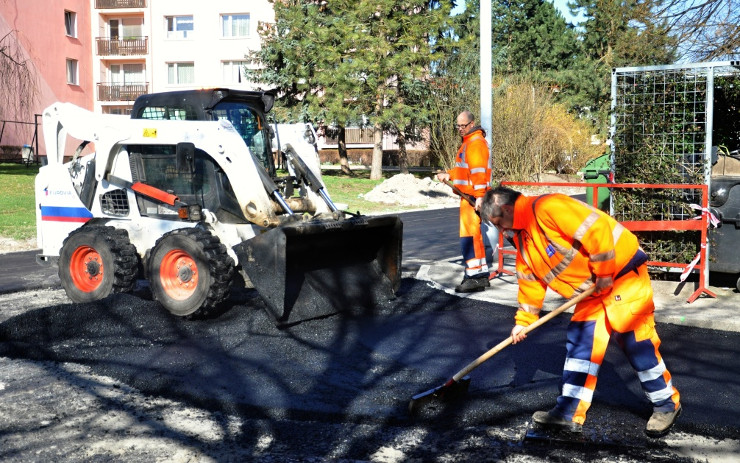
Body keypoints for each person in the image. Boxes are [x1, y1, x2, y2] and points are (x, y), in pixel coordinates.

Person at [479, 186, 682, 438]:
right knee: (581, 348)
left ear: (507, 209)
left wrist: (605, 272)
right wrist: (524, 321)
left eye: (498, 223)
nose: (499, 231)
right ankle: (568, 412)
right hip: (591, 290)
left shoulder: (548, 207)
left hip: (621, 275)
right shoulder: (523, 237)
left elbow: (596, 229)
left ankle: (666, 404)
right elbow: (530, 281)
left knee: (635, 340)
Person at [436, 110, 493, 293]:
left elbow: (478, 173)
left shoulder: (475, 144)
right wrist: (449, 174)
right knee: (472, 236)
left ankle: (475, 276)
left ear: (472, 123)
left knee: (469, 237)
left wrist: (480, 196)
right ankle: (479, 274)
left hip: (472, 198)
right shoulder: (468, 143)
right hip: (468, 197)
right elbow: (464, 171)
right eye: (458, 126)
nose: (460, 129)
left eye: (463, 125)